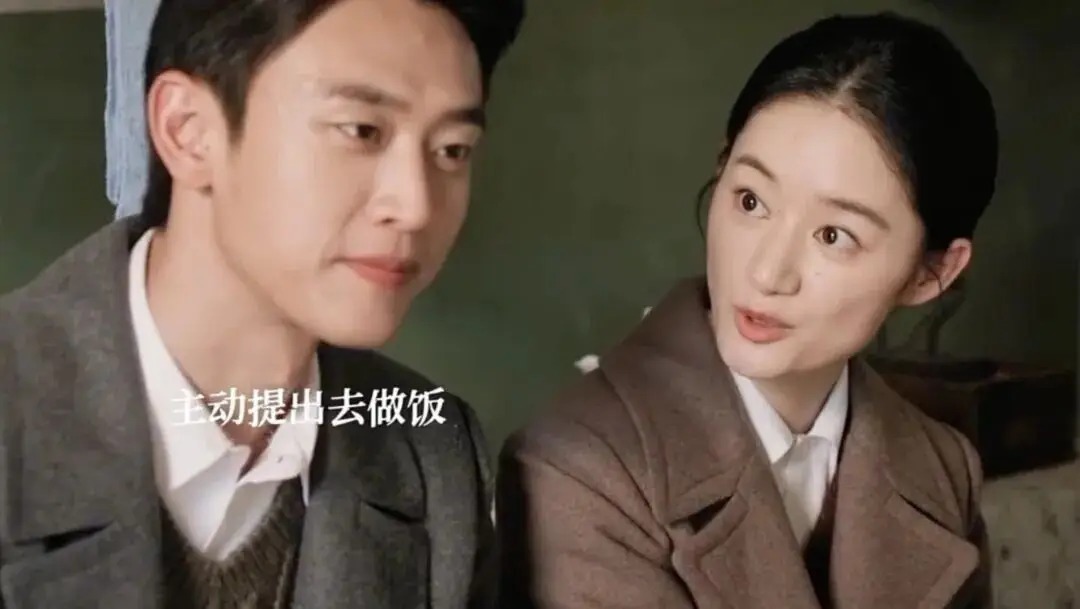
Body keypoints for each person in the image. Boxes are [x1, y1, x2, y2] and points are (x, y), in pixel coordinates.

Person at [0, 0, 523, 607]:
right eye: (361, 130)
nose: (416, 207)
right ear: (188, 130)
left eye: (453, 150)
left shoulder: (433, 455)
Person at [496, 12, 996, 609]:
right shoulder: (579, 464)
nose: (766, 273)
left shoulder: (943, 470)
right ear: (721, 169)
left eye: (834, 235)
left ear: (931, 272)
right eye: (751, 201)